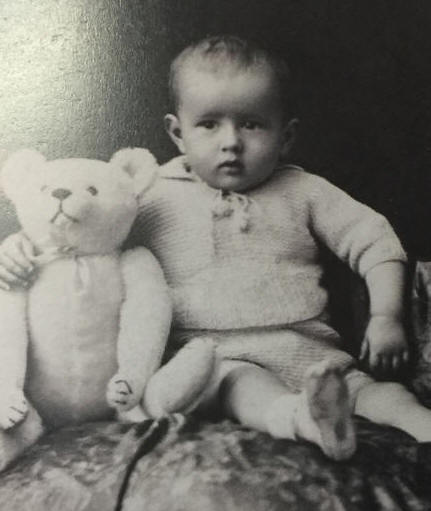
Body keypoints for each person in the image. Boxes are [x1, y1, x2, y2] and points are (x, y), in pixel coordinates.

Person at [1, 35, 431, 461]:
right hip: (215, 360)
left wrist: (385, 317)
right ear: (178, 133)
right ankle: (304, 421)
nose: (231, 142)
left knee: (378, 393)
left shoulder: (303, 190)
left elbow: (374, 240)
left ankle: (420, 425)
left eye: (252, 124)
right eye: (209, 124)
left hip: (313, 352)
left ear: (285, 136)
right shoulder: (152, 196)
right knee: (243, 385)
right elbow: (90, 238)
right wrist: (21, 247)